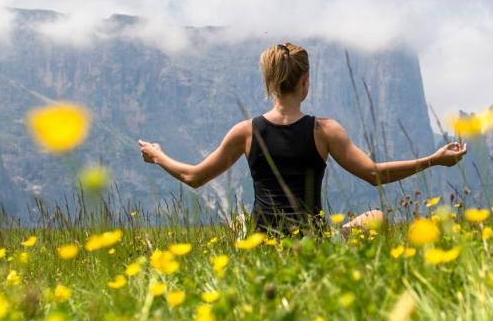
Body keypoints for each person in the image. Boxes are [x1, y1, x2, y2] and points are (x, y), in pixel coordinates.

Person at [138, 41, 467, 236]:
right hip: (312, 242)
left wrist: (157, 155)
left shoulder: (246, 132)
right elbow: (375, 175)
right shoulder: (325, 131)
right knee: (378, 218)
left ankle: (244, 234)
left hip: (263, 241)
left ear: (270, 82)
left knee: (240, 220)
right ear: (306, 82)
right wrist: (433, 160)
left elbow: (193, 177)